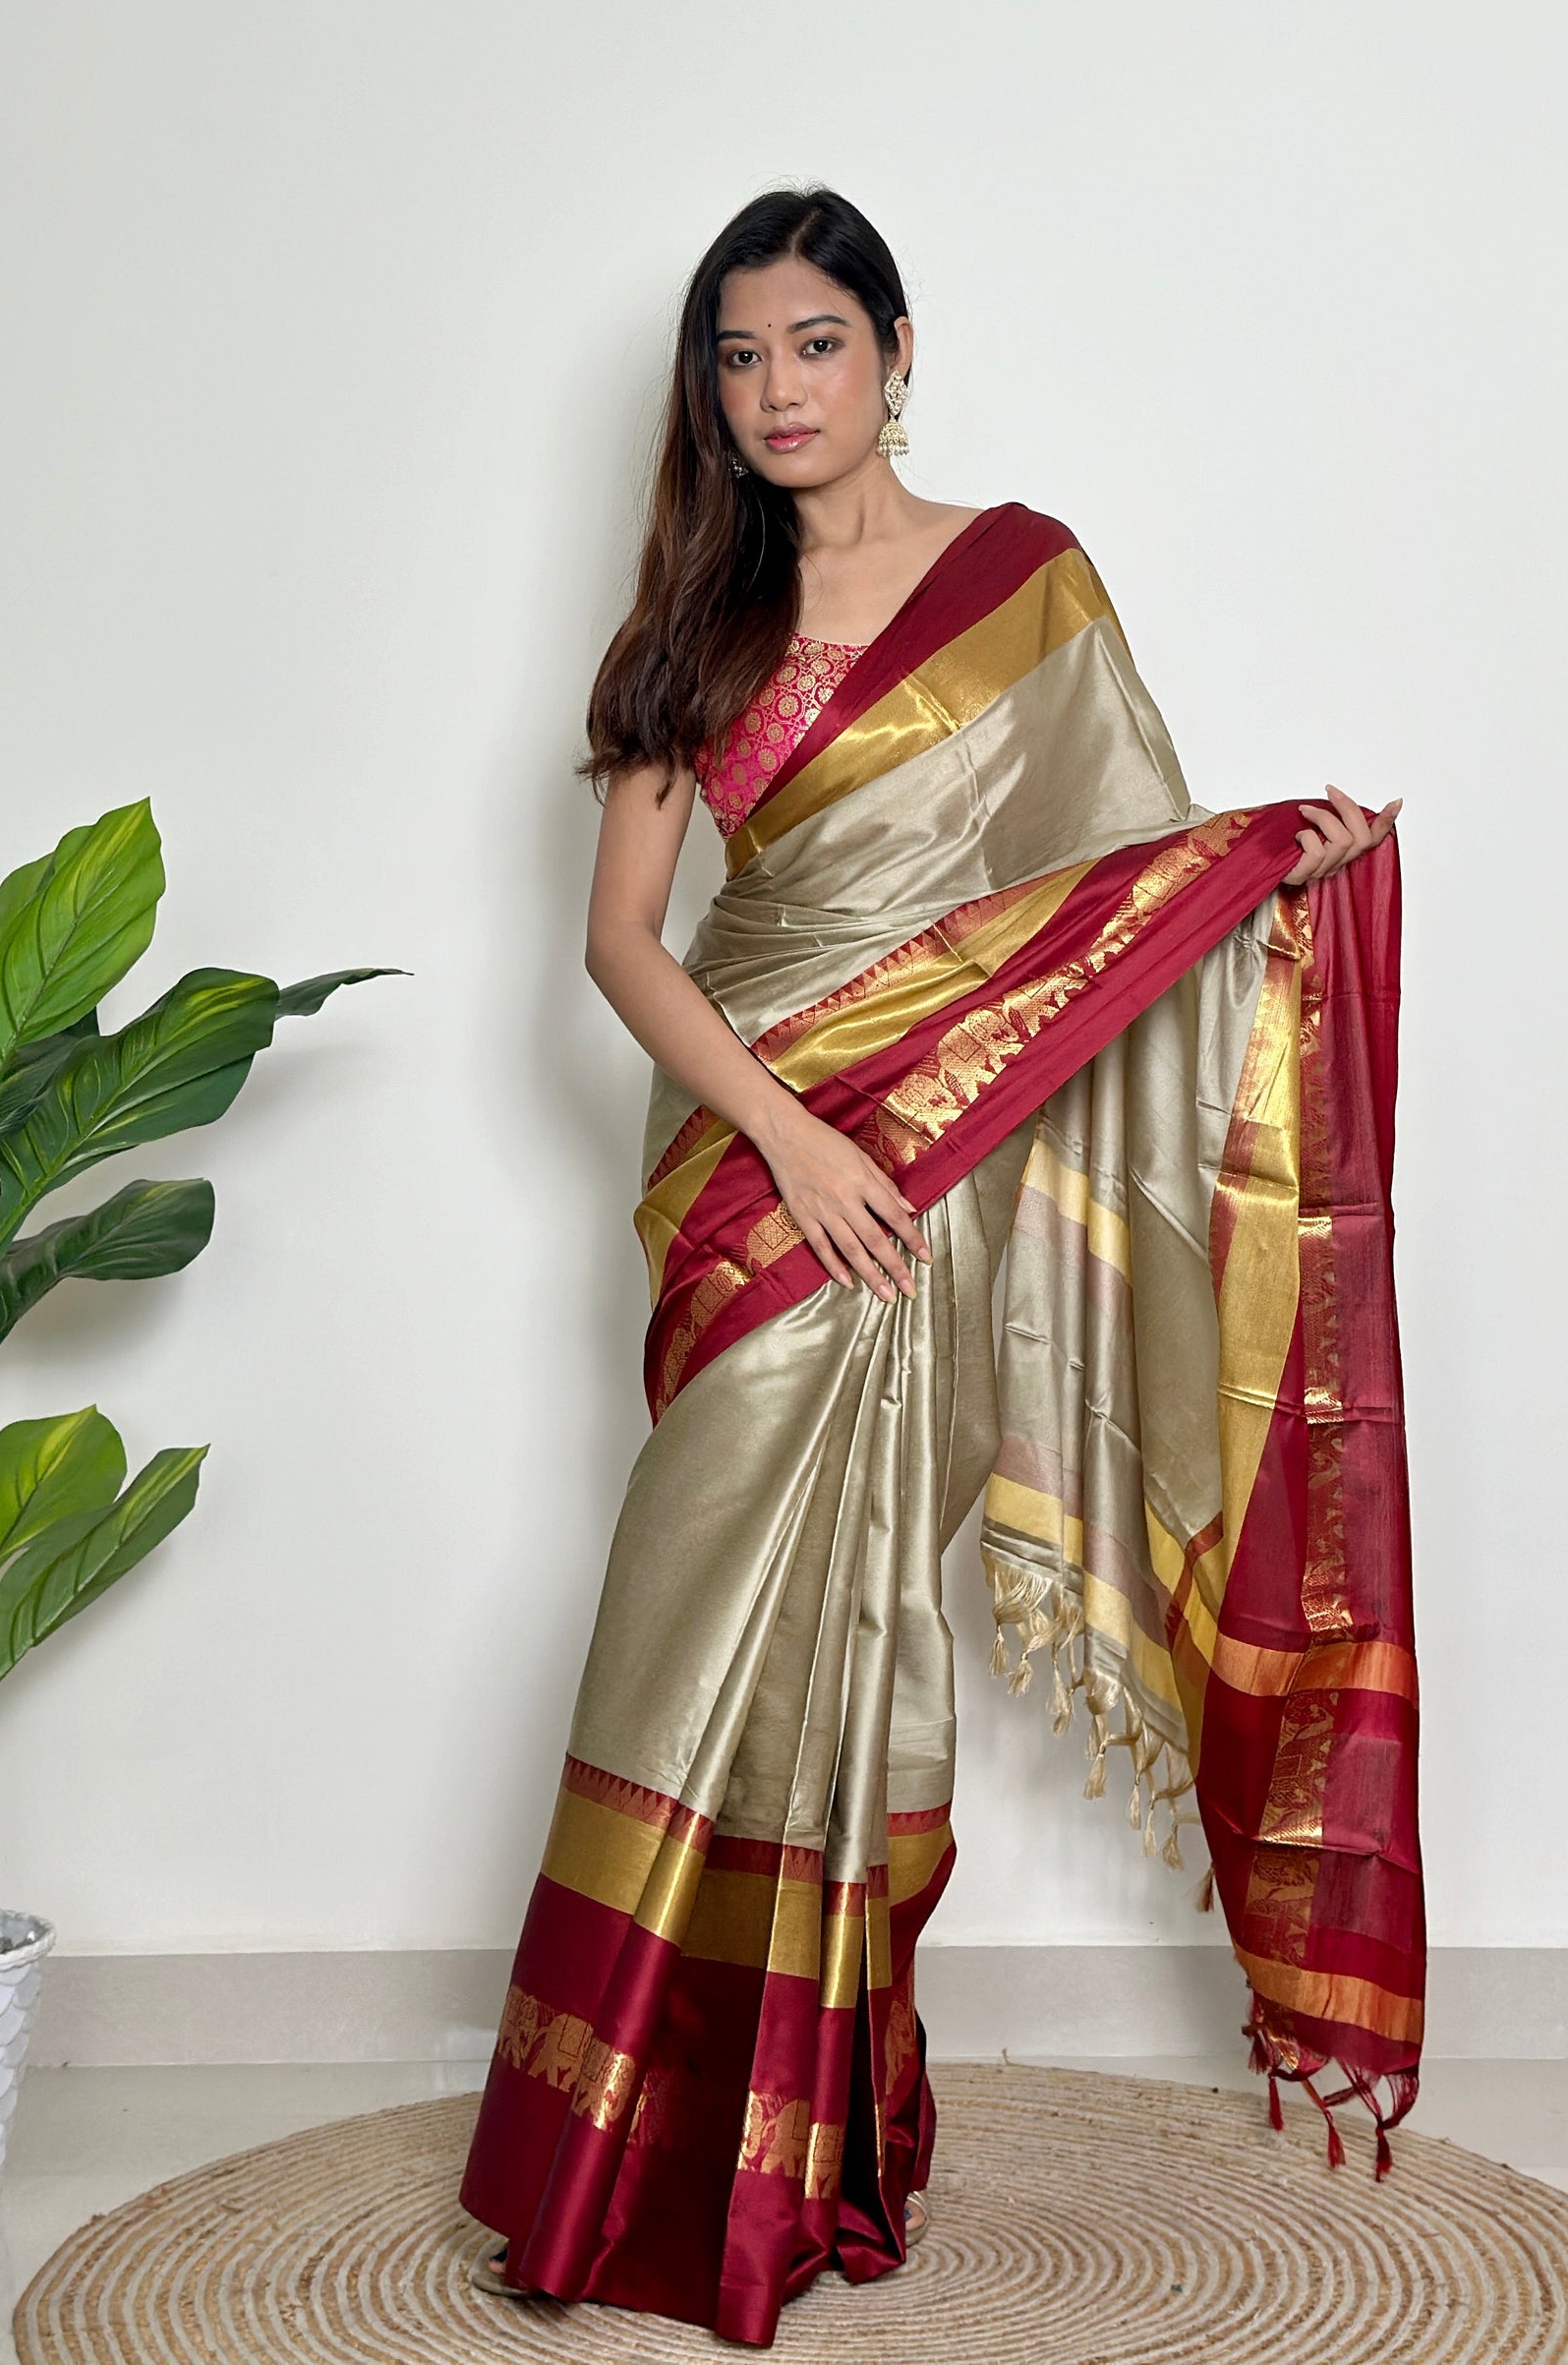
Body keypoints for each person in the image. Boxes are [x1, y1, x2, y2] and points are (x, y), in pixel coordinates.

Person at [460, 187, 1421, 2348]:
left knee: (867, 1619)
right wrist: (789, 1137)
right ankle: (610, 2143)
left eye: (814, 343)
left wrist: (1276, 877)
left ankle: (800, 2144)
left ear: (896, 351)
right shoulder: (690, 622)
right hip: (759, 1159)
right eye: (737, 356)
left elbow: (1110, 889)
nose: (774, 390)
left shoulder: (1021, 581)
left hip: (933, 1166)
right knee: (693, 1601)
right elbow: (620, 942)